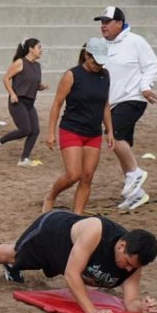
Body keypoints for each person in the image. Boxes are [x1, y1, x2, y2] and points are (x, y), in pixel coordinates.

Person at [0, 210, 157, 313]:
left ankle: (13, 268)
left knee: (20, 262)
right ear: (121, 245)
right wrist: (91, 310)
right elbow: (71, 274)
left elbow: (130, 301)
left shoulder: (134, 262)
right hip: (52, 232)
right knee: (16, 256)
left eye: (132, 267)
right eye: (127, 262)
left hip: (68, 254)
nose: (127, 269)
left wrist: (142, 308)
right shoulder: (96, 231)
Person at [95, 6, 157, 210]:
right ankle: (137, 194)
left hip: (134, 98)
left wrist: (146, 86)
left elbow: (152, 65)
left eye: (107, 22)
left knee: (115, 135)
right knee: (121, 145)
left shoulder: (136, 41)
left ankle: (135, 173)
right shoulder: (101, 46)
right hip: (111, 102)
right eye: (101, 22)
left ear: (119, 24)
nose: (103, 26)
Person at [43, 38, 115, 215]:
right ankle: (51, 196)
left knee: (87, 176)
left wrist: (110, 131)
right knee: (73, 175)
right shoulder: (72, 75)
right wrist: (51, 132)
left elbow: (105, 104)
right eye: (95, 61)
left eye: (101, 61)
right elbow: (57, 103)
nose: (98, 65)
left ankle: (77, 215)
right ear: (86, 55)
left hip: (93, 133)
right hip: (71, 129)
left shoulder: (105, 75)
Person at [0, 38, 49, 166]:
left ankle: (24, 159)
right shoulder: (20, 62)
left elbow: (34, 84)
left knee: (35, 130)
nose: (41, 50)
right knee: (25, 130)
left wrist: (41, 87)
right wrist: (12, 94)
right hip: (18, 101)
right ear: (31, 49)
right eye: (39, 47)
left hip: (29, 103)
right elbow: (6, 78)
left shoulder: (37, 66)